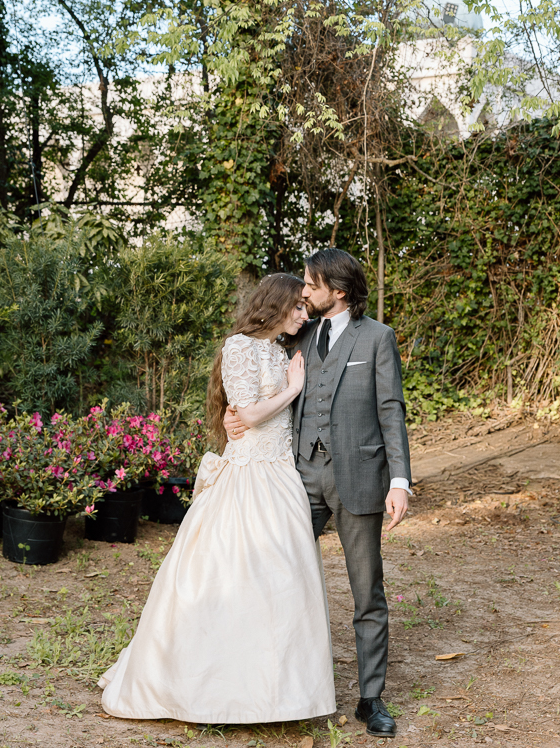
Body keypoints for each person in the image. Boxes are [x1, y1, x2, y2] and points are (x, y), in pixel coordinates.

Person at [98, 272, 336, 723]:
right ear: (277, 304)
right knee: (225, 574)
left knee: (282, 580)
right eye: (298, 307)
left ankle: (277, 693)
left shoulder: (281, 349)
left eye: (307, 308)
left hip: (281, 473)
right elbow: (247, 412)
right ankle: (208, 687)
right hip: (248, 475)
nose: (305, 315)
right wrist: (291, 389)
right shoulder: (240, 347)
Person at [225, 248, 411, 738]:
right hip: (297, 477)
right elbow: (258, 385)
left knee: (366, 591)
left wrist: (398, 482)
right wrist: (233, 415)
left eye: (311, 284)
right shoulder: (298, 333)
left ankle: (371, 699)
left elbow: (392, 410)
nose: (303, 292)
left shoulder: (378, 339)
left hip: (361, 479)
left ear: (339, 290)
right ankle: (269, 684)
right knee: (274, 577)